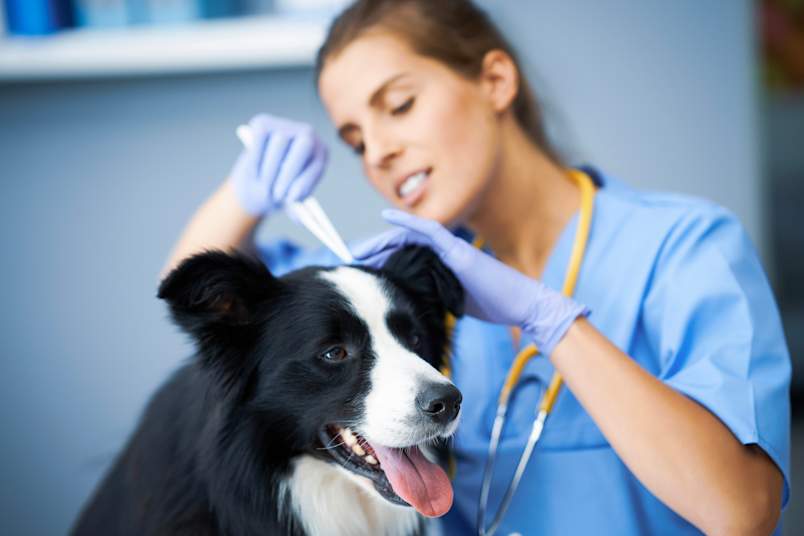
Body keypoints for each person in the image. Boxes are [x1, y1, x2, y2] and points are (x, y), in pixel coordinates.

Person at [161, 1, 792, 534]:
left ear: (495, 80)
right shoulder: (392, 284)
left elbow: (743, 509)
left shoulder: (681, 246)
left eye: (400, 105)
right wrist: (240, 197)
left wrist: (551, 322)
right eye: (355, 140)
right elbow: (210, 313)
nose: (379, 151)